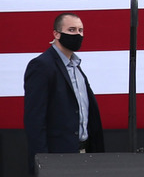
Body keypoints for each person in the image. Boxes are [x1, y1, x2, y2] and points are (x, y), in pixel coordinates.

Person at [24, 13, 105, 174]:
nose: (78, 34)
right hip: (58, 159)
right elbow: (35, 120)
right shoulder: (41, 66)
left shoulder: (76, 67)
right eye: (72, 29)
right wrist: (43, 163)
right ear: (56, 34)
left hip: (84, 154)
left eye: (81, 30)